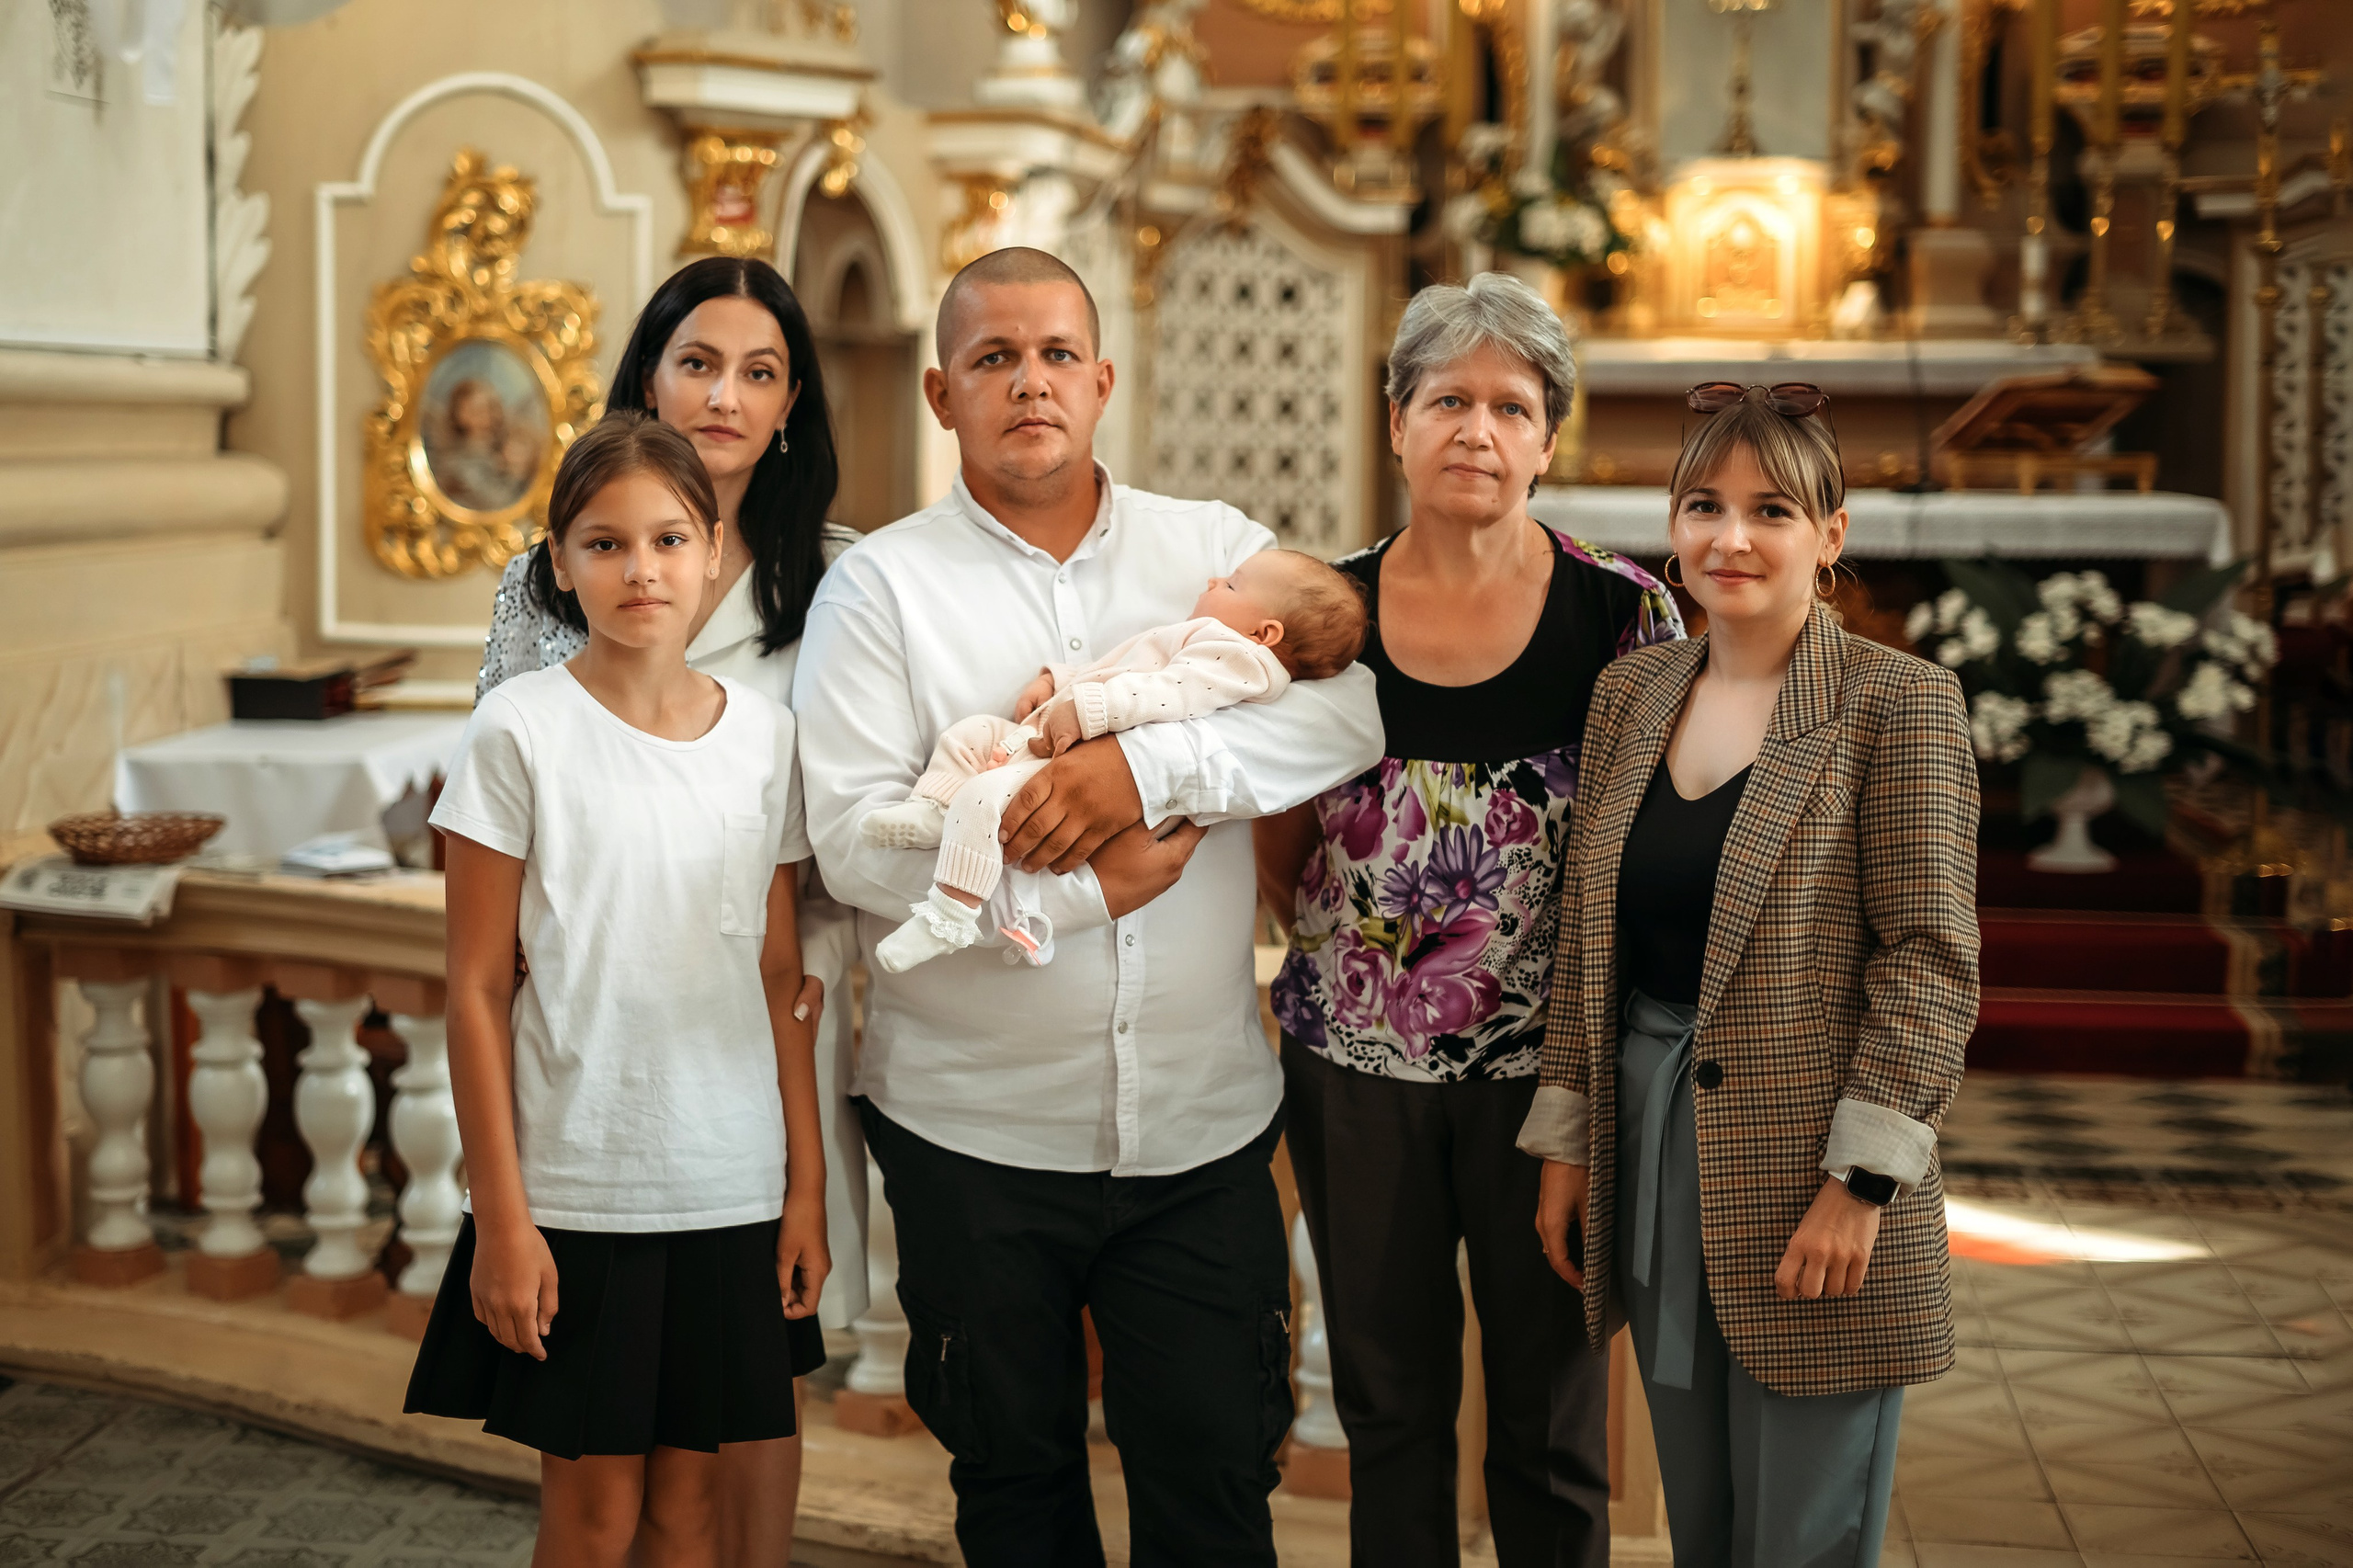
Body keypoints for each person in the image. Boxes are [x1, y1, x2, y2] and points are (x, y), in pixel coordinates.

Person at [791, 246, 1384, 1566]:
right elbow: (855, 847)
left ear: (1103, 380)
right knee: (1015, 1496)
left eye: (1057, 353)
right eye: (994, 358)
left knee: (1215, 1498)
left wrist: (1139, 772)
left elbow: (1347, 717)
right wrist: (1079, 888)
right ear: (941, 393)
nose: (1031, 382)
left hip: (1198, 1135)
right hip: (972, 1133)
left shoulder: (1214, 548)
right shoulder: (879, 588)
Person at [1255, 272, 1683, 1568]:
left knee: (1550, 1423)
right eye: (1447, 399)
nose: (1477, 431)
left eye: (1511, 406)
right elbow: (1276, 827)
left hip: (1549, 1081)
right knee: (1387, 1405)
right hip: (1354, 1072)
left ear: (1548, 439)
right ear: (1396, 421)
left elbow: (1652, 854)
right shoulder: (1321, 612)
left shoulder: (1623, 614)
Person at [1522, 381, 1979, 1566]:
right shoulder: (1632, 694)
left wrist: (1859, 1184)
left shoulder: (1897, 702)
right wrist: (1570, 1138)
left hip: (1815, 1160)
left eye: (1771, 509)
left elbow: (1928, 961)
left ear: (1830, 534)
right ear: (1672, 525)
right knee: (1703, 1520)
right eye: (1703, 505)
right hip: (1653, 1141)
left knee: (1800, 1534)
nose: (1730, 536)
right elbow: (1588, 936)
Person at [473, 256, 860, 1560]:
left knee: (727, 1438)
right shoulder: (537, 625)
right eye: (698, 361)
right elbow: (498, 855)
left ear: (793, 401)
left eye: (759, 371)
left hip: (752, 1039)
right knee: (597, 1494)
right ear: (650, 372)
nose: (725, 394)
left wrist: (804, 1171)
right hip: (589, 1050)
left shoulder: (840, 582)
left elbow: (809, 884)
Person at [406, 413, 829, 1568]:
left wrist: (804, 1188)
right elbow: (475, 988)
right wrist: (503, 1217)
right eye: (605, 543)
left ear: (711, 552)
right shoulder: (519, 731)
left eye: (668, 539)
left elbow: (780, 975)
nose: (641, 569)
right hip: (581, 1188)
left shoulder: (767, 739)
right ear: (559, 561)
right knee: (594, 1517)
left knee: (689, 1513)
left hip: (730, 1180)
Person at [866, 548, 1369, 973]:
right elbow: (1117, 668)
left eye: (1232, 585)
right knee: (971, 733)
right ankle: (937, 811)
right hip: (1051, 736)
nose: (1214, 581)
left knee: (982, 798)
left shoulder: (1239, 661)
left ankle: (949, 915)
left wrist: (1088, 707)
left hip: (1074, 757)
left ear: (1265, 634)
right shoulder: (1200, 641)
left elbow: (1167, 693)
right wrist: (1058, 681)